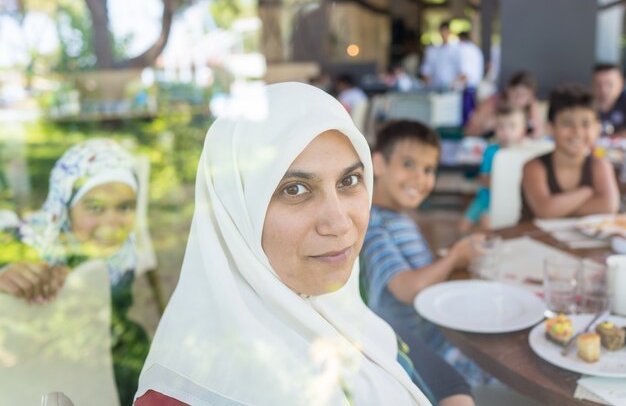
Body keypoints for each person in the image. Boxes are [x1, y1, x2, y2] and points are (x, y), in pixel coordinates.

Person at [134, 82, 434, 406]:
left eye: (349, 181)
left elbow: (408, 356)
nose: (339, 222)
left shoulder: (338, 308)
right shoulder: (185, 392)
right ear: (236, 212)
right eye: (295, 190)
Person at [0, 139, 151, 406]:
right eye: (95, 207)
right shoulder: (33, 248)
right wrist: (7, 272)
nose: (112, 222)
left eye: (125, 207)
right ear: (65, 206)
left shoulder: (122, 254)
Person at [360, 120, 490, 387]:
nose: (420, 179)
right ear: (379, 164)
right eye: (408, 164)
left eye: (429, 169)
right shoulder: (373, 227)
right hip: (421, 357)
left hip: (440, 337)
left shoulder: (398, 219)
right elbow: (408, 288)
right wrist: (454, 257)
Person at [521, 85, 619, 220]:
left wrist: (559, 208)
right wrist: (585, 192)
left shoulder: (600, 166)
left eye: (585, 124)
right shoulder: (534, 167)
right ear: (550, 128)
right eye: (567, 123)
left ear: (597, 129)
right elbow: (545, 210)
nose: (577, 131)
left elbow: (609, 206)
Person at [459, 105, 527, 232]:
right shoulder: (491, 151)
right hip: (484, 198)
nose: (506, 132)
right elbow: (484, 178)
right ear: (495, 129)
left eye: (512, 126)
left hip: (505, 202)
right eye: (501, 127)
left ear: (522, 130)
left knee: (487, 223)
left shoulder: (522, 152)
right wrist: (503, 185)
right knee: (463, 228)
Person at [465, 70, 544, 139]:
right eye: (516, 93)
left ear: (530, 98)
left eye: (523, 96)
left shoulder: (531, 106)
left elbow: (539, 134)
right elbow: (468, 132)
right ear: (508, 90)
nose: (518, 99)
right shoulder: (493, 103)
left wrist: (534, 123)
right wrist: (485, 127)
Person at [420, 21, 460, 91]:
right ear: (439, 31)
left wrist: (455, 84)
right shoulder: (432, 50)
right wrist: (427, 85)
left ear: (450, 32)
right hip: (434, 88)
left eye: (446, 31)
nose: (444, 34)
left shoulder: (457, 50)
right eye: (442, 31)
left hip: (451, 88)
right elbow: (426, 69)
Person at [456, 32, 484, 125]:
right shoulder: (475, 49)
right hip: (475, 87)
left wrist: (453, 84)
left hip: (468, 89)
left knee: (467, 119)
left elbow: (465, 74)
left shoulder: (465, 49)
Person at [591, 63, 626, 135]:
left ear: (621, 84)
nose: (603, 90)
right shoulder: (584, 105)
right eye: (598, 84)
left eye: (609, 84)